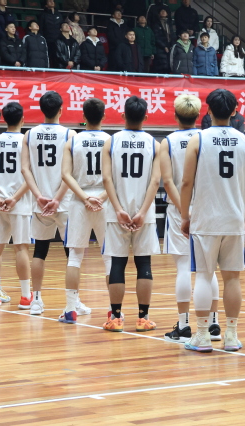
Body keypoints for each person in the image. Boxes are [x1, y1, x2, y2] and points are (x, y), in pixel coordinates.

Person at [180, 88, 245, 352]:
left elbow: (186, 182)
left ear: (208, 110)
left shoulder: (198, 140)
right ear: (235, 111)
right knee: (232, 279)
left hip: (206, 219)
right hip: (234, 219)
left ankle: (202, 335)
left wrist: (185, 215)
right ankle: (231, 335)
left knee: (204, 276)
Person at [160, 95, 221, 342]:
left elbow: (167, 181)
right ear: (198, 116)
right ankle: (213, 324)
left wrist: (183, 209)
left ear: (176, 115)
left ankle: (184, 326)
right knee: (208, 268)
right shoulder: (207, 138)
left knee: (184, 267)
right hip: (206, 207)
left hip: (179, 209)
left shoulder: (168, 142)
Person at [101, 96, 161, 332]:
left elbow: (107, 179)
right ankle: (143, 318)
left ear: (123, 115)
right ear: (146, 117)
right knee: (144, 262)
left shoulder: (111, 142)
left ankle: (115, 318)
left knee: (117, 262)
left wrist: (118, 210)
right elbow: (155, 181)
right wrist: (143, 212)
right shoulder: (154, 144)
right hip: (144, 215)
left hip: (117, 214)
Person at [21, 91, 79, 315]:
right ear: (61, 109)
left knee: (40, 251)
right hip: (64, 203)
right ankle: (73, 303)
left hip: (40, 204)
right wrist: (57, 199)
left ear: (41, 109)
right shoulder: (70, 134)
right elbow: (71, 172)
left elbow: (25, 169)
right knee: (71, 254)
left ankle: (36, 300)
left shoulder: (30, 135)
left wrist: (38, 196)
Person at [58, 98, 111, 323]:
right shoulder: (110, 140)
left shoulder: (73, 140)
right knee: (109, 258)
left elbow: (65, 174)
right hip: (104, 200)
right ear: (103, 116)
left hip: (80, 201)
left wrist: (84, 198)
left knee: (75, 258)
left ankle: (71, 309)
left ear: (83, 116)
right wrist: (101, 197)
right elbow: (116, 176)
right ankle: (114, 311)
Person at [0, 102, 33, 310]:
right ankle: (26, 297)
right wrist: (15, 198)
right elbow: (31, 175)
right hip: (19, 203)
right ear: (23, 119)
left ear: (3, 120)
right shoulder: (26, 141)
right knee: (21, 249)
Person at [39, 0, 64, 67]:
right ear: (46, 5)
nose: (52, 2)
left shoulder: (59, 14)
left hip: (58, 40)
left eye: (53, 1)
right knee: (49, 58)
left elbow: (62, 26)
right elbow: (41, 28)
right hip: (48, 40)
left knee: (59, 58)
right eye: (49, 1)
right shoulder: (43, 15)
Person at [151, 8, 174, 73]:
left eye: (165, 11)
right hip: (160, 47)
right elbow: (156, 36)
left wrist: (172, 45)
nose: (163, 12)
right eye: (161, 11)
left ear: (167, 14)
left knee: (169, 65)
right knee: (161, 65)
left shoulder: (170, 23)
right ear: (159, 14)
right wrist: (164, 46)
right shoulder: (156, 24)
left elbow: (173, 35)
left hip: (170, 46)